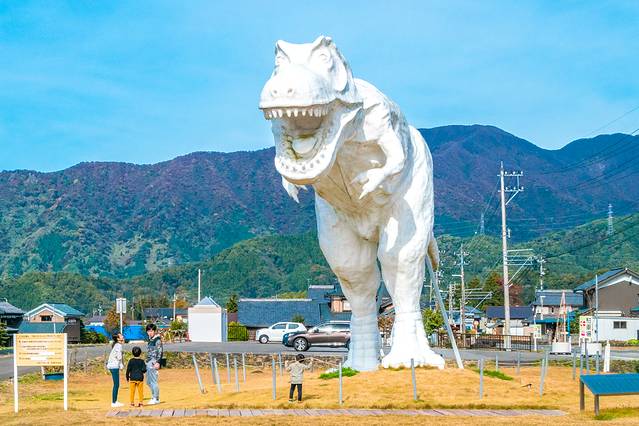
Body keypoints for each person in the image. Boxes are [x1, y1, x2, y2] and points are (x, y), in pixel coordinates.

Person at [145, 323, 163, 405]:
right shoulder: (150, 340)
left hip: (154, 362)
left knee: (153, 381)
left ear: (155, 331)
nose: (150, 332)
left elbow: (160, 352)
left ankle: (155, 398)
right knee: (148, 382)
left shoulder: (157, 340)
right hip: (148, 362)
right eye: (148, 331)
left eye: (152, 331)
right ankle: (154, 397)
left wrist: (158, 362)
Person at [106, 333, 124, 407]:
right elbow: (119, 357)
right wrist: (121, 365)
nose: (122, 336)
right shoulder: (118, 345)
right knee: (116, 384)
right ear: (118, 338)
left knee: (116, 384)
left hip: (112, 365)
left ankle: (115, 401)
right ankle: (114, 402)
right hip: (114, 366)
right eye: (121, 336)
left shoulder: (116, 345)